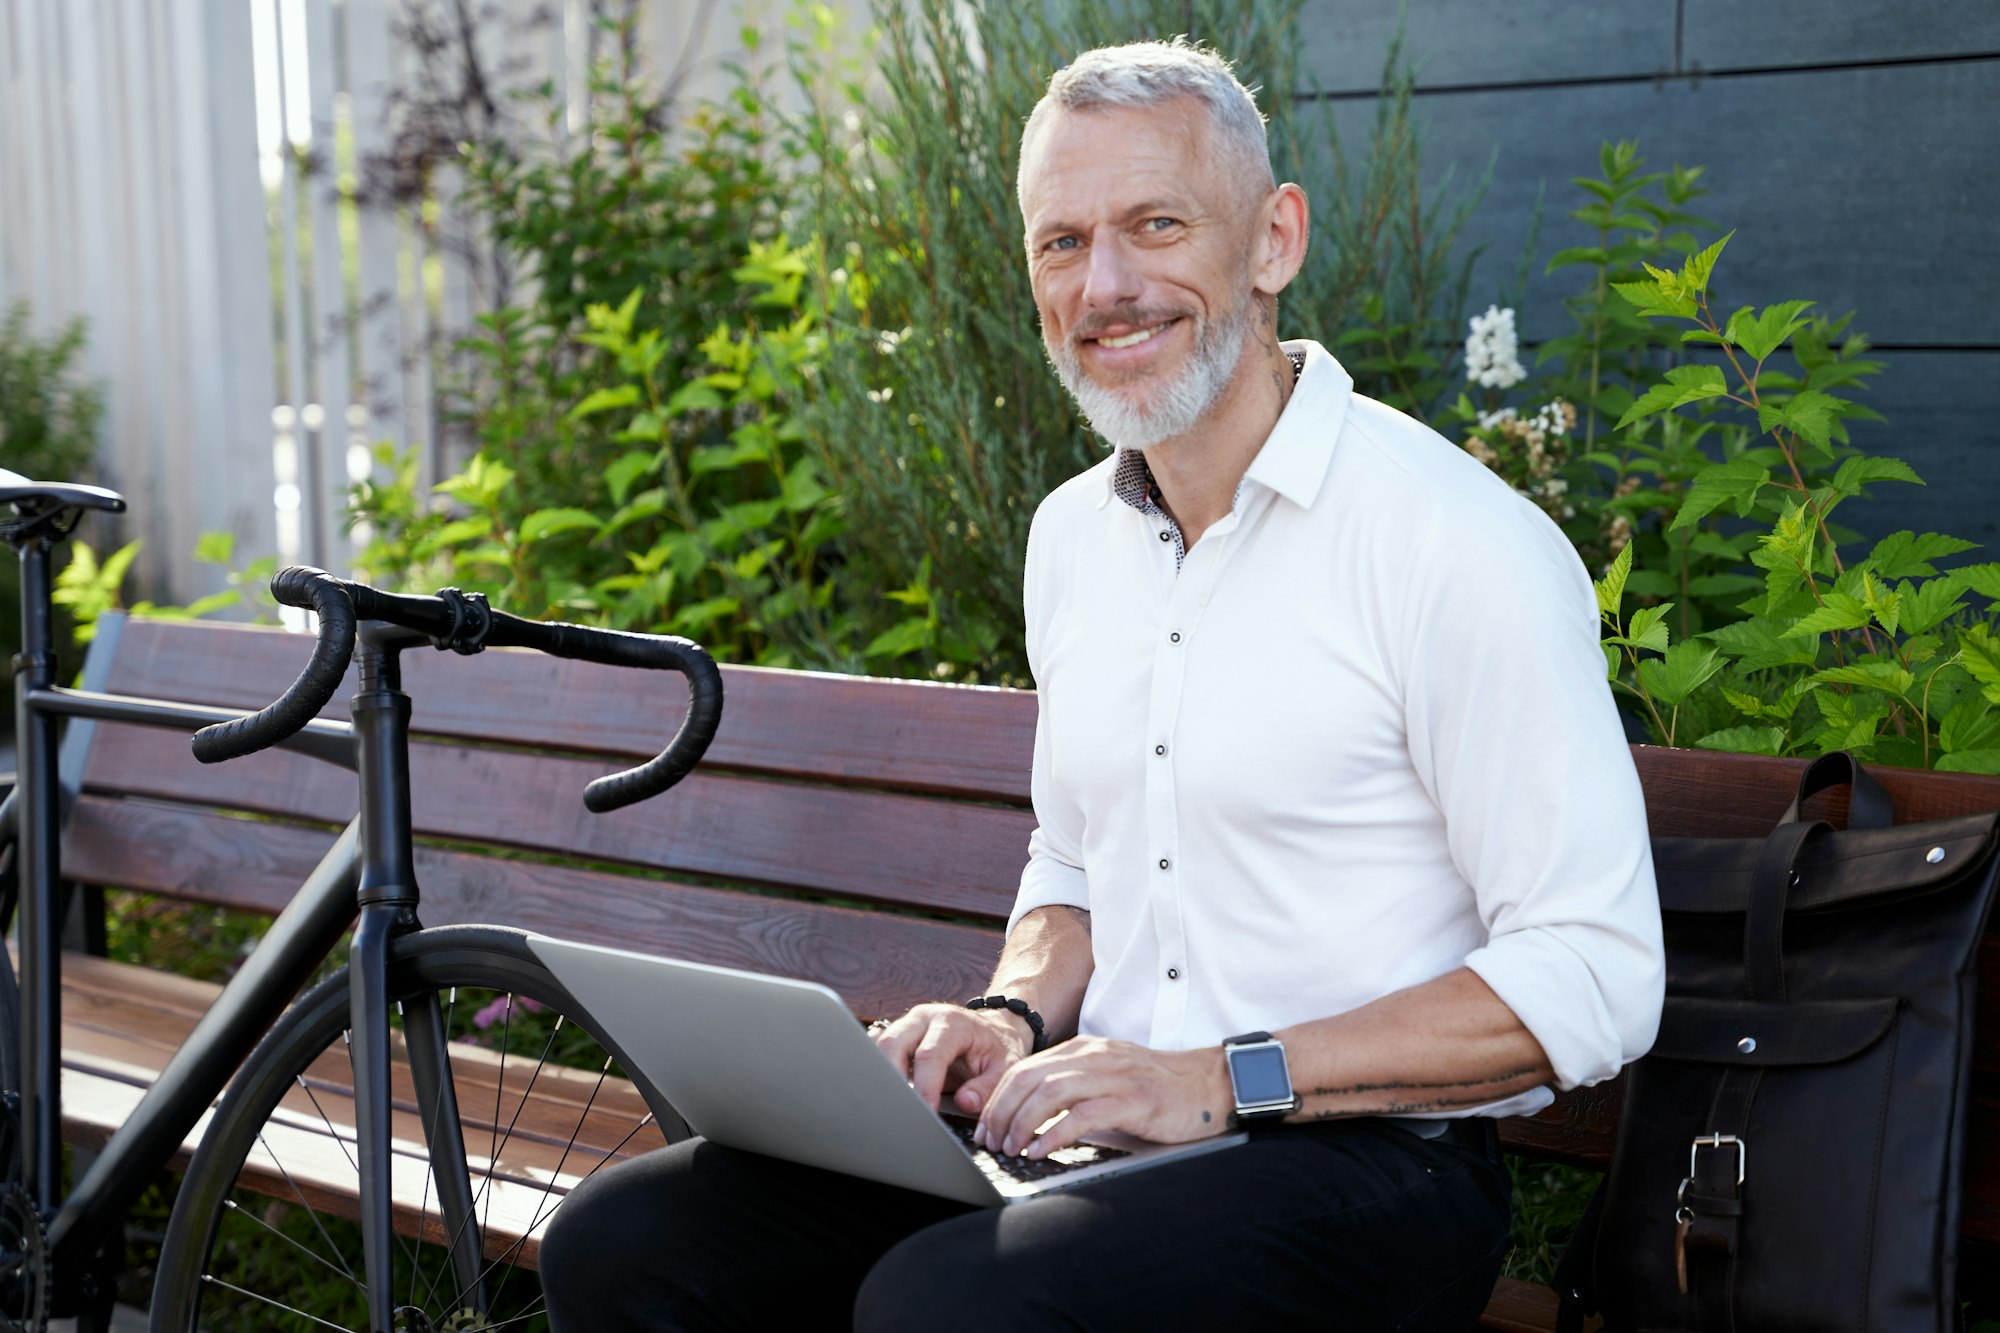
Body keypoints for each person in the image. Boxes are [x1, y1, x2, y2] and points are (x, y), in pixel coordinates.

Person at [540, 37, 1662, 1332]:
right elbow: (1075, 867)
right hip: (1104, 1138)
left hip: (1372, 1167)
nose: (1106, 286)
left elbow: (1593, 972)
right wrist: (1011, 1014)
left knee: (947, 1306)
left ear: (1274, 240)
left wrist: (1219, 1079)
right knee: (630, 1244)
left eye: (1156, 225)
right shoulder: (1072, 537)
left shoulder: (1455, 543)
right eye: (1062, 243)